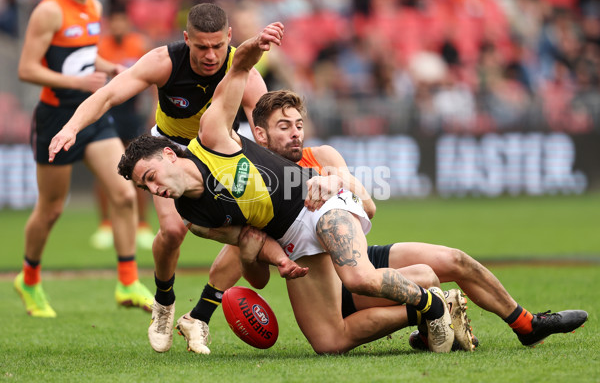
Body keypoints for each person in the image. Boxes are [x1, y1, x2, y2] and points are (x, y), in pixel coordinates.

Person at [113, 22, 460, 354]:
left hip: (316, 205)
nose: (153, 188)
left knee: (358, 279)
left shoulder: (213, 138)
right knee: (329, 343)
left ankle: (435, 305)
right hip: (292, 239)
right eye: (145, 186)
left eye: (151, 176)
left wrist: (251, 48)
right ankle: (433, 305)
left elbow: (234, 77)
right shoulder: (195, 217)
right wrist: (280, 261)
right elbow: (249, 245)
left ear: (170, 155)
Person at [176, 89, 589, 354]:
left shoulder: (321, 155)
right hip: (316, 278)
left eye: (299, 125)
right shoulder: (251, 183)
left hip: (355, 256)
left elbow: (369, 208)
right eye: (283, 128)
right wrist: (250, 254)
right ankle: (433, 312)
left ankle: (526, 323)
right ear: (259, 135)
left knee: (455, 260)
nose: (295, 134)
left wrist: (336, 180)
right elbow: (258, 278)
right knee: (329, 343)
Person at [48, 3, 269, 350]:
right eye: (201, 47)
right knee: (171, 231)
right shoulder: (164, 61)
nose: (211, 55)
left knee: (249, 233)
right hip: (171, 151)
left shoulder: (244, 70)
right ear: (186, 39)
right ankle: (164, 302)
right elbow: (107, 95)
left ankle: (199, 316)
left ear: (229, 37)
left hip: (222, 156)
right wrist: (71, 127)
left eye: (217, 46)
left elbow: (266, 121)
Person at [14, 0, 152, 318]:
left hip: (91, 112)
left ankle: (128, 281)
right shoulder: (49, 10)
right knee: (51, 209)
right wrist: (78, 82)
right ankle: (29, 279)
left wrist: (109, 67)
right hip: (56, 118)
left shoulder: (94, 6)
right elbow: (27, 69)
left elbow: (85, 55)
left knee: (124, 193)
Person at [90, 9, 155, 251]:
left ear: (127, 24)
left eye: (121, 22)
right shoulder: (101, 48)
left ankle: (143, 226)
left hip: (131, 113)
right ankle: (105, 224)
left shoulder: (138, 44)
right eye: (113, 22)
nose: (118, 27)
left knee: (139, 165)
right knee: (104, 169)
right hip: (108, 112)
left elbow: (152, 79)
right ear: (110, 24)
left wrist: (155, 107)